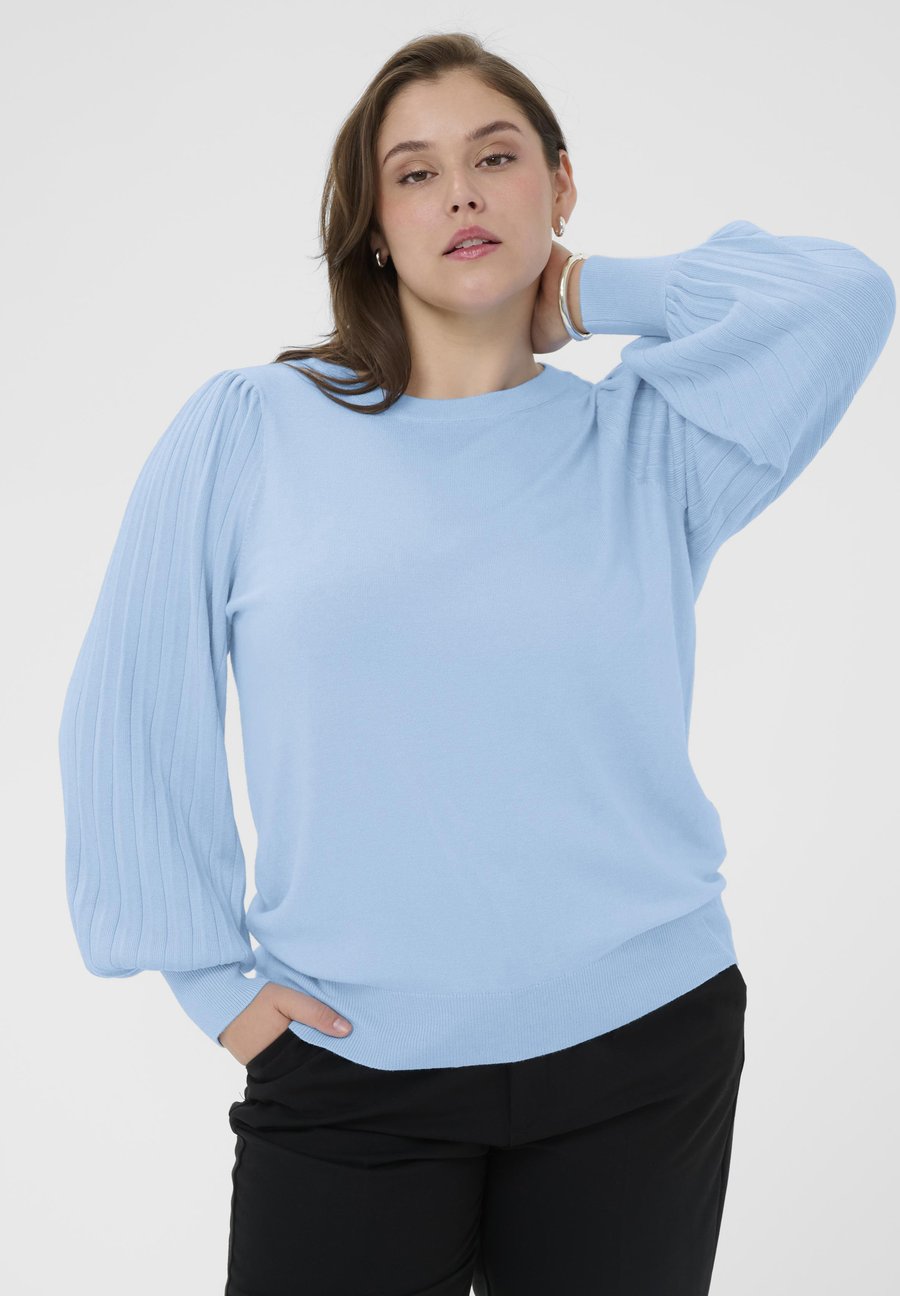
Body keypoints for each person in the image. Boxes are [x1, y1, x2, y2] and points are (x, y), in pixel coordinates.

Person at [57, 30, 894, 1296]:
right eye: (415, 173)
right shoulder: (250, 428)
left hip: (642, 1045)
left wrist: (585, 292)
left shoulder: (650, 447)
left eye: (495, 158)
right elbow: (130, 707)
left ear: (559, 185)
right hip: (350, 1065)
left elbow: (841, 295)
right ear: (373, 227)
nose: (460, 193)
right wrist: (211, 982)